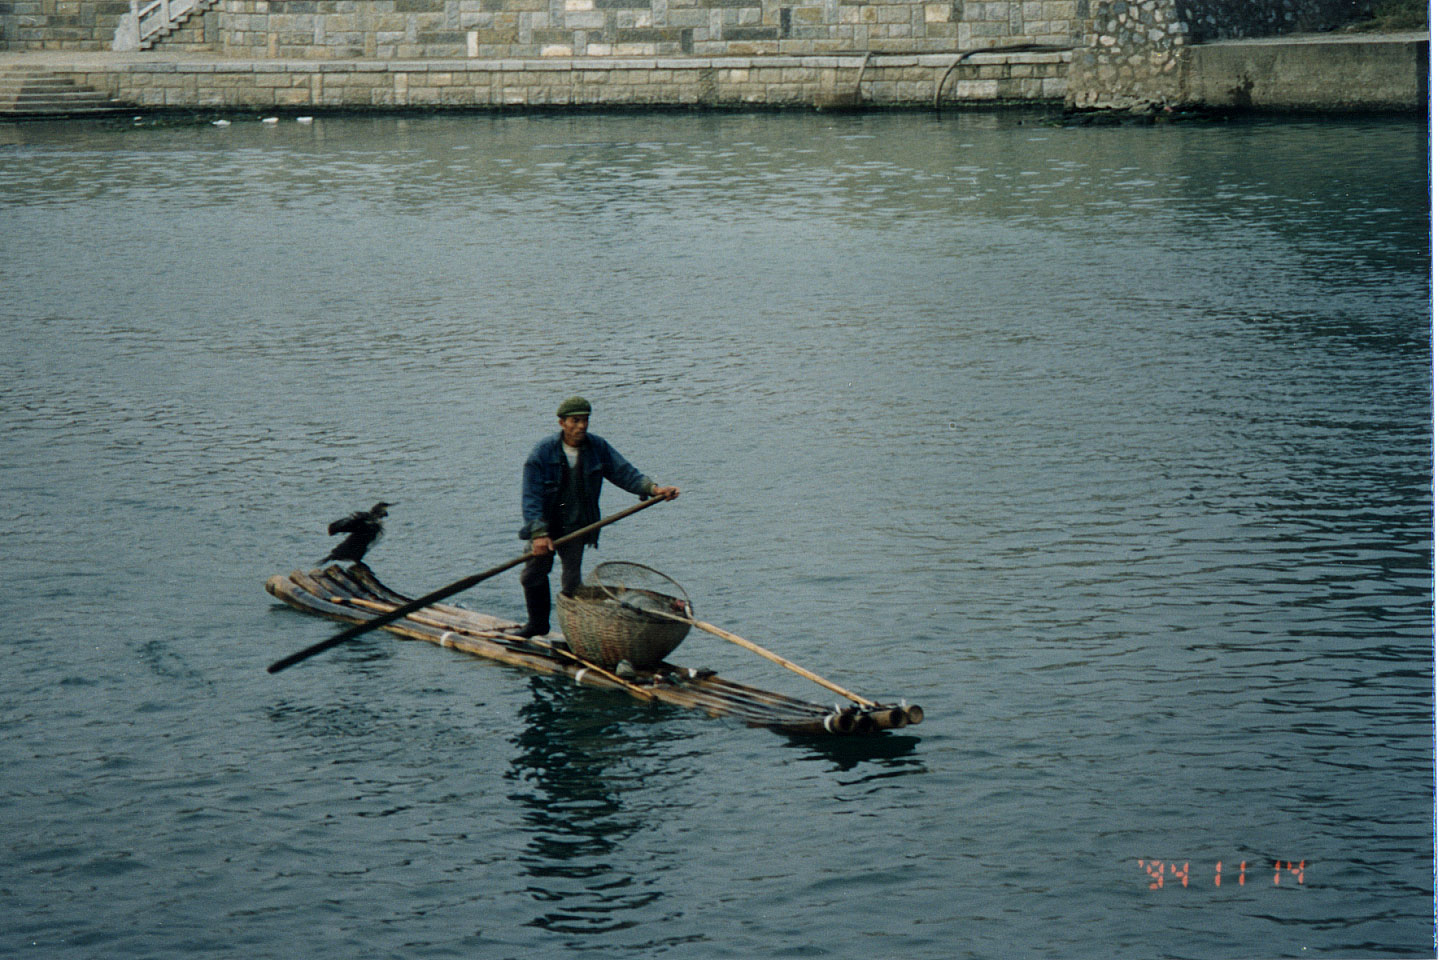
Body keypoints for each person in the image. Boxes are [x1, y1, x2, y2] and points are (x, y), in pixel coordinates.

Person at [514, 396, 679, 638]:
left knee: (572, 583)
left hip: (577, 527)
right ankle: (537, 625)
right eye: (575, 421)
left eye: (585, 420)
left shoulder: (597, 447)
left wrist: (653, 489)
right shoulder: (541, 454)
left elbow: (625, 473)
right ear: (562, 423)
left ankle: (575, 635)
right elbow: (531, 497)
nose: (581, 426)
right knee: (532, 575)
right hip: (546, 528)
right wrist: (539, 534)